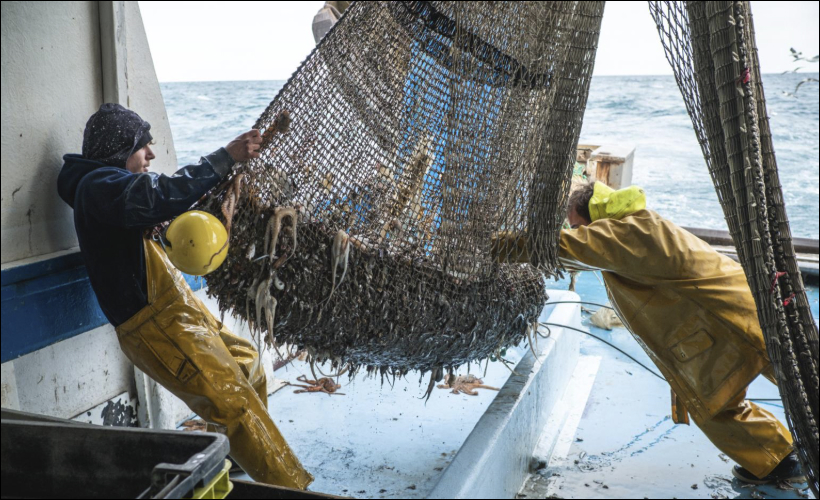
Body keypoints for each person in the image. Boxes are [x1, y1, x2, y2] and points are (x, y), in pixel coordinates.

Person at [57, 103, 313, 489]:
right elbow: (164, 193)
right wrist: (226, 157)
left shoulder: (108, 190)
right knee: (231, 401)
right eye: (142, 145)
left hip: (177, 309)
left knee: (246, 362)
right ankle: (293, 489)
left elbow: (149, 206)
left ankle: (233, 455)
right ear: (118, 148)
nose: (150, 154)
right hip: (156, 325)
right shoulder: (99, 187)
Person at [492, 180, 805, 485]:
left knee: (726, 401)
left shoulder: (625, 235)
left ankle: (777, 460)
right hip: (743, 306)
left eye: (577, 226)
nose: (576, 233)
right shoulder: (639, 224)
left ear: (594, 217)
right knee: (792, 378)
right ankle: (780, 458)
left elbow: (560, 247)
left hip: (733, 315)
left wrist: (489, 244)